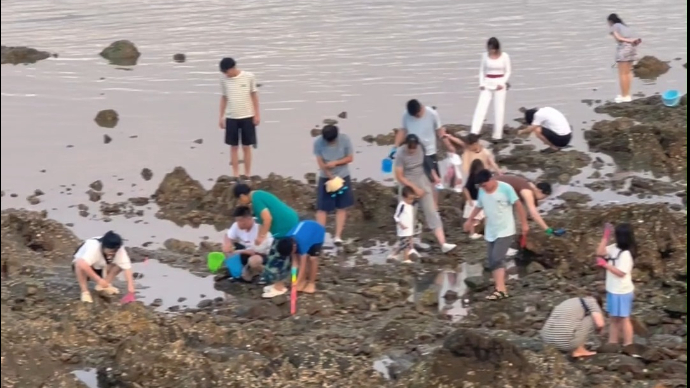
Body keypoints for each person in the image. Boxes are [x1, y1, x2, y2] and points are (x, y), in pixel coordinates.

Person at [464, 170, 528, 300]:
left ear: (491, 179)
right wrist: (470, 220)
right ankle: (500, 289)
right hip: (490, 231)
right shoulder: (482, 191)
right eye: (480, 186)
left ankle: (500, 289)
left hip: (505, 230)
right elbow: (479, 206)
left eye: (484, 184)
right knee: (492, 260)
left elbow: (518, 204)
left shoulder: (505, 188)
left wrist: (524, 223)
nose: (483, 187)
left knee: (497, 258)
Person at [233, 184, 300, 298]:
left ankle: (280, 288)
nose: (241, 202)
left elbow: (267, 219)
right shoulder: (259, 195)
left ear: (242, 196)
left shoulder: (256, 199)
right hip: (285, 225)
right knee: (274, 255)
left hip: (286, 227)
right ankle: (276, 284)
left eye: (240, 199)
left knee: (279, 258)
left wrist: (261, 237)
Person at [395, 134, 456, 253]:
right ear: (406, 144)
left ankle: (443, 243)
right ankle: (409, 248)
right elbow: (399, 176)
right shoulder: (400, 153)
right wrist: (415, 189)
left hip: (423, 180)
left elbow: (428, 163)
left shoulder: (421, 147)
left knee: (432, 212)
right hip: (407, 184)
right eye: (410, 147)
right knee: (408, 217)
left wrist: (434, 176)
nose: (412, 149)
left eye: (414, 147)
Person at [394, 99, 455, 202]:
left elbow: (439, 130)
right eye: (413, 116)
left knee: (435, 180)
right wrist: (395, 147)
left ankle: (434, 205)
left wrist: (449, 146)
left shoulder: (432, 114)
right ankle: (412, 200)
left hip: (429, 151)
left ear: (421, 107)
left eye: (417, 115)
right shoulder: (406, 115)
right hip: (412, 151)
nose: (415, 118)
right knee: (411, 176)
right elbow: (403, 130)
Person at [596, 223, 636, 348]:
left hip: (623, 291)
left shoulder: (626, 254)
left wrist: (605, 265)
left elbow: (621, 273)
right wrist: (605, 237)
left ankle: (628, 344)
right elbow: (599, 252)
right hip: (612, 289)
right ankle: (612, 343)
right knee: (613, 318)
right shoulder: (614, 248)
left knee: (624, 318)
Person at [218, 57, 260, 177]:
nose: (226, 75)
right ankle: (235, 175)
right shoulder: (223, 80)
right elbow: (224, 98)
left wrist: (257, 114)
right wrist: (221, 117)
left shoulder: (249, 76)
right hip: (231, 117)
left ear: (232, 68)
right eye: (223, 73)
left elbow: (254, 95)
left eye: (226, 72)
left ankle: (247, 174)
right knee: (233, 147)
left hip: (247, 116)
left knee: (247, 146)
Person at [313, 124, 354, 245]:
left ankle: (338, 236)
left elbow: (350, 158)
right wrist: (330, 176)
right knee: (322, 208)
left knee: (342, 207)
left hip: (343, 176)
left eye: (332, 141)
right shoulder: (318, 142)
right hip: (325, 177)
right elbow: (320, 162)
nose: (330, 143)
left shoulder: (345, 139)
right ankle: (319, 237)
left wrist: (336, 163)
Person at [72, 231, 135, 303]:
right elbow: (82, 263)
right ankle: (85, 292)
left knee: (120, 265)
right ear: (103, 246)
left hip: (101, 266)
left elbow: (127, 268)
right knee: (79, 264)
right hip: (87, 267)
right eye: (110, 251)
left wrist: (131, 287)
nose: (112, 253)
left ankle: (103, 286)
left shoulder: (119, 250)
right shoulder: (94, 247)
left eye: (115, 251)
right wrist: (98, 280)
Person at [470, 37, 512, 142]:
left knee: (499, 109)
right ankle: (474, 131)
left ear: (497, 48)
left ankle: (497, 135)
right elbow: (481, 71)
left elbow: (508, 71)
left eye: (493, 48)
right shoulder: (484, 56)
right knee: (481, 107)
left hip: (500, 83)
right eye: (489, 48)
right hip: (487, 83)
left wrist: (502, 83)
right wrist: (481, 83)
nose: (491, 50)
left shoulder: (505, 56)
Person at [541, 296, 605, 358]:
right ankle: (579, 351)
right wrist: (599, 330)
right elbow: (600, 324)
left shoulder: (571, 301)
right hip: (564, 344)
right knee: (593, 318)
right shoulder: (592, 302)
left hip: (546, 341)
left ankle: (573, 345)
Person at [221, 206, 272, 281]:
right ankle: (237, 271)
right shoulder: (236, 225)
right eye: (237, 221)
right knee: (226, 249)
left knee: (253, 261)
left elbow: (255, 251)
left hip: (261, 254)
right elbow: (228, 236)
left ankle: (265, 273)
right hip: (246, 250)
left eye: (241, 221)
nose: (238, 223)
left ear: (249, 219)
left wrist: (239, 251)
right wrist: (228, 244)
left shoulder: (260, 228)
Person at [276, 220, 326, 294]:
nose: (292, 253)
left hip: (317, 233)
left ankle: (311, 283)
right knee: (298, 257)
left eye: (292, 252)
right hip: (305, 233)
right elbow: (295, 263)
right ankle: (303, 280)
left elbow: (303, 265)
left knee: (312, 259)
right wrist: (294, 279)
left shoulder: (302, 243)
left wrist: (296, 282)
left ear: (294, 246)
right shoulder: (288, 240)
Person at [607, 14, 641, 103]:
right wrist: (632, 41)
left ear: (610, 21)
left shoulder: (614, 26)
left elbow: (618, 38)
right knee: (628, 73)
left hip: (623, 49)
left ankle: (624, 96)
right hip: (632, 48)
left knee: (622, 74)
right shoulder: (625, 27)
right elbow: (632, 38)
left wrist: (628, 41)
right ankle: (627, 95)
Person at [389, 186, 419, 263]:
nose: (411, 201)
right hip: (403, 229)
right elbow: (396, 216)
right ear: (403, 197)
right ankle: (406, 260)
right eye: (409, 199)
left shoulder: (410, 205)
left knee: (403, 244)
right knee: (405, 245)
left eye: (412, 199)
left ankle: (393, 255)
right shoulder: (402, 205)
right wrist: (401, 224)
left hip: (409, 228)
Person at [462, 159, 487, 240]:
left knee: (479, 218)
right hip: (473, 200)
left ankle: (470, 229)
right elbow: (465, 188)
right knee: (473, 218)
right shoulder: (472, 177)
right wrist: (469, 200)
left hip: (479, 200)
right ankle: (472, 233)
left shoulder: (482, 177)